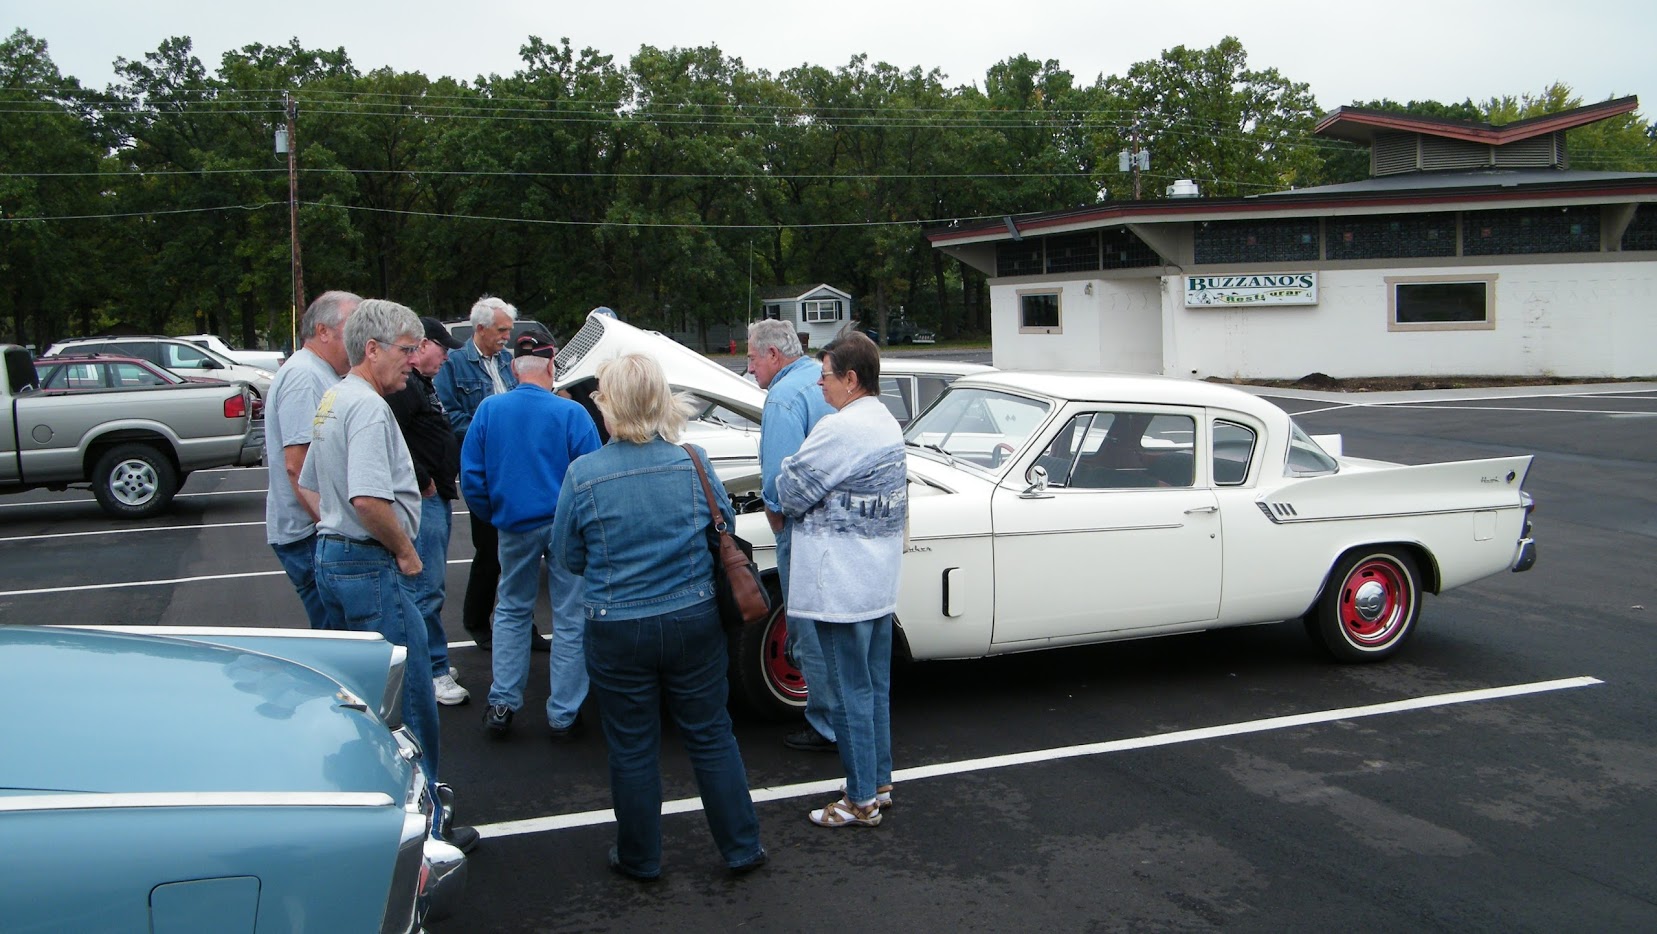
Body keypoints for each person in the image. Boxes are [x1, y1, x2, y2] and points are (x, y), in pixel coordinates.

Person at [554, 353, 766, 879]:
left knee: (631, 745)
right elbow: (722, 527)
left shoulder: (583, 474)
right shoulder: (693, 461)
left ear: (607, 404)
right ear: (661, 401)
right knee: (711, 734)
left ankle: (640, 857)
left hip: (617, 623)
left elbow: (569, 557)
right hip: (693, 616)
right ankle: (741, 847)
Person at [298, 298, 478, 853]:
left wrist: (335, 530)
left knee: (365, 699)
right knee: (412, 699)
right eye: (406, 349)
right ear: (372, 349)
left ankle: (378, 809)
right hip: (370, 565)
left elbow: (309, 482)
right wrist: (404, 551)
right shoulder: (370, 409)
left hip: (335, 556)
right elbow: (369, 499)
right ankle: (426, 830)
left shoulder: (335, 398)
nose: (414, 358)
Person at [776, 332, 907, 828]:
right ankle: (878, 781)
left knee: (849, 692)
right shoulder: (885, 421)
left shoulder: (839, 429)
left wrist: (788, 469)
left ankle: (860, 801)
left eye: (826, 375)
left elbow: (790, 491)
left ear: (851, 379)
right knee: (873, 686)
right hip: (877, 578)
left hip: (841, 584)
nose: (820, 384)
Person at [460, 338, 600, 740]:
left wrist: (495, 514)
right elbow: (591, 475)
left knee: (511, 609)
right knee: (570, 616)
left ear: (513, 368)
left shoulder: (490, 409)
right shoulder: (571, 412)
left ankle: (502, 703)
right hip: (563, 525)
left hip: (514, 524)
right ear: (552, 366)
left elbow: (472, 477)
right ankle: (564, 713)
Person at [434, 295, 545, 653]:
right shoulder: (454, 364)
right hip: (485, 468)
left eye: (508, 331)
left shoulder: (508, 362)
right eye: (501, 330)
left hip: (515, 467)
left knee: (519, 551)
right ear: (479, 328)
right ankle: (477, 621)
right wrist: (493, 430)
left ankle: (522, 625)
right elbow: (448, 416)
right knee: (489, 549)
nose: (506, 337)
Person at [746, 319, 838, 753]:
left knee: (807, 631)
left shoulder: (783, 397)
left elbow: (778, 478)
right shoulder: (824, 380)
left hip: (802, 529)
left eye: (751, 358)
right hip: (842, 525)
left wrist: (776, 519)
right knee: (838, 629)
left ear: (772, 354)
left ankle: (826, 725)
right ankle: (847, 717)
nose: (749, 368)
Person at [387, 316, 469, 706]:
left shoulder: (420, 385)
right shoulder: (405, 390)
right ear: (422, 346)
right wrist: (423, 479)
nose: (446, 358)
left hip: (435, 493)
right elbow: (395, 440)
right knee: (425, 588)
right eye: (442, 349)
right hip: (424, 497)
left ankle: (433, 660)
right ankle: (431, 671)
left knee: (429, 586)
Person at [265, 290, 359, 629]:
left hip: (314, 533)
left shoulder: (320, 372)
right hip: (311, 536)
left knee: (342, 635)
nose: (361, 338)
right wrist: (335, 527)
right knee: (340, 638)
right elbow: (298, 465)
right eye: (354, 328)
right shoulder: (305, 377)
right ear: (323, 331)